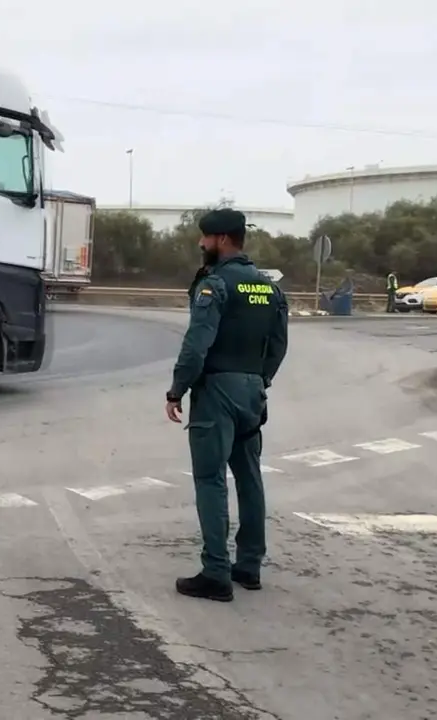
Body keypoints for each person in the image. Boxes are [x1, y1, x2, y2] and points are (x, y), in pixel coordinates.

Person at [165, 208, 289, 602]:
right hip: (252, 390)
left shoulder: (215, 285)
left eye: (205, 238)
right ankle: (249, 566)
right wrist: (260, 379)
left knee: (210, 479)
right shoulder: (269, 287)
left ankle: (216, 572)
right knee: (250, 477)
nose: (201, 244)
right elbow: (279, 344)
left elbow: (196, 344)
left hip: (217, 391)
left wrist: (176, 389)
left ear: (220, 239)